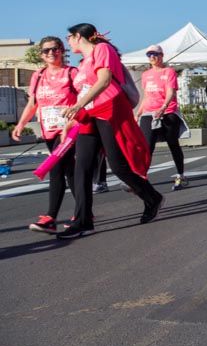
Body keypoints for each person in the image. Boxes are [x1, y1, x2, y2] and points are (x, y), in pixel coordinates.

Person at [61, 23, 162, 238]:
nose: (67, 42)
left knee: (118, 166)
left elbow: (104, 80)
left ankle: (152, 197)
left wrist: (78, 105)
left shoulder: (102, 50)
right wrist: (74, 116)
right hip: (89, 115)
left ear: (79, 36)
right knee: (83, 167)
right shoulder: (82, 63)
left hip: (109, 110)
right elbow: (84, 92)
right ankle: (83, 221)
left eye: (69, 37)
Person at [12, 36, 80, 233]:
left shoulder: (71, 73)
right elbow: (33, 103)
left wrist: (73, 120)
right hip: (49, 131)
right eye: (46, 51)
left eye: (55, 49)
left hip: (68, 131)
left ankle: (51, 217)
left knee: (58, 170)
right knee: (68, 171)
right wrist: (21, 124)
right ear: (41, 55)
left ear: (62, 50)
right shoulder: (38, 75)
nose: (51, 53)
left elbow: (83, 99)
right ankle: (83, 211)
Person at [134, 45, 187, 190]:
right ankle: (141, 177)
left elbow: (170, 92)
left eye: (155, 54)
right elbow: (146, 96)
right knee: (147, 146)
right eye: (149, 55)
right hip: (149, 113)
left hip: (168, 112)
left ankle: (180, 175)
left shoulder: (168, 72)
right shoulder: (146, 75)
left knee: (172, 144)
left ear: (161, 55)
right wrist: (138, 112)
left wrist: (163, 107)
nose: (152, 57)